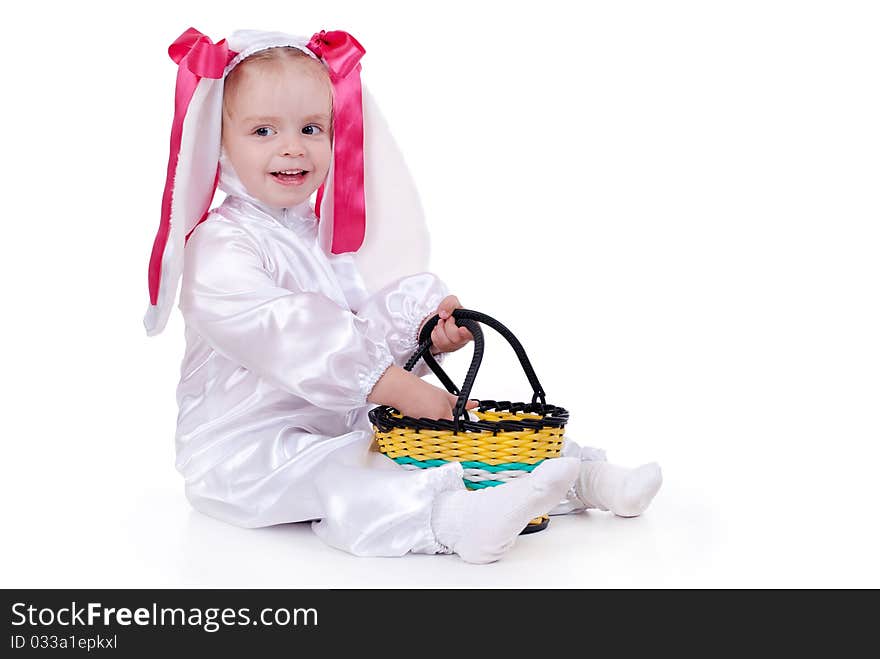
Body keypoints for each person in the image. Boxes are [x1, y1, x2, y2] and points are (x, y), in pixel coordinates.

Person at [145, 27, 662, 564]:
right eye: (263, 131)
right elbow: (291, 334)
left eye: (311, 127)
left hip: (341, 418)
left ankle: (576, 476)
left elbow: (363, 320)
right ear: (219, 141)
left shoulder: (320, 234)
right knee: (348, 469)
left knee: (432, 442)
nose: (292, 147)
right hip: (246, 449)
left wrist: (423, 331)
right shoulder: (220, 245)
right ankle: (452, 520)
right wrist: (400, 389)